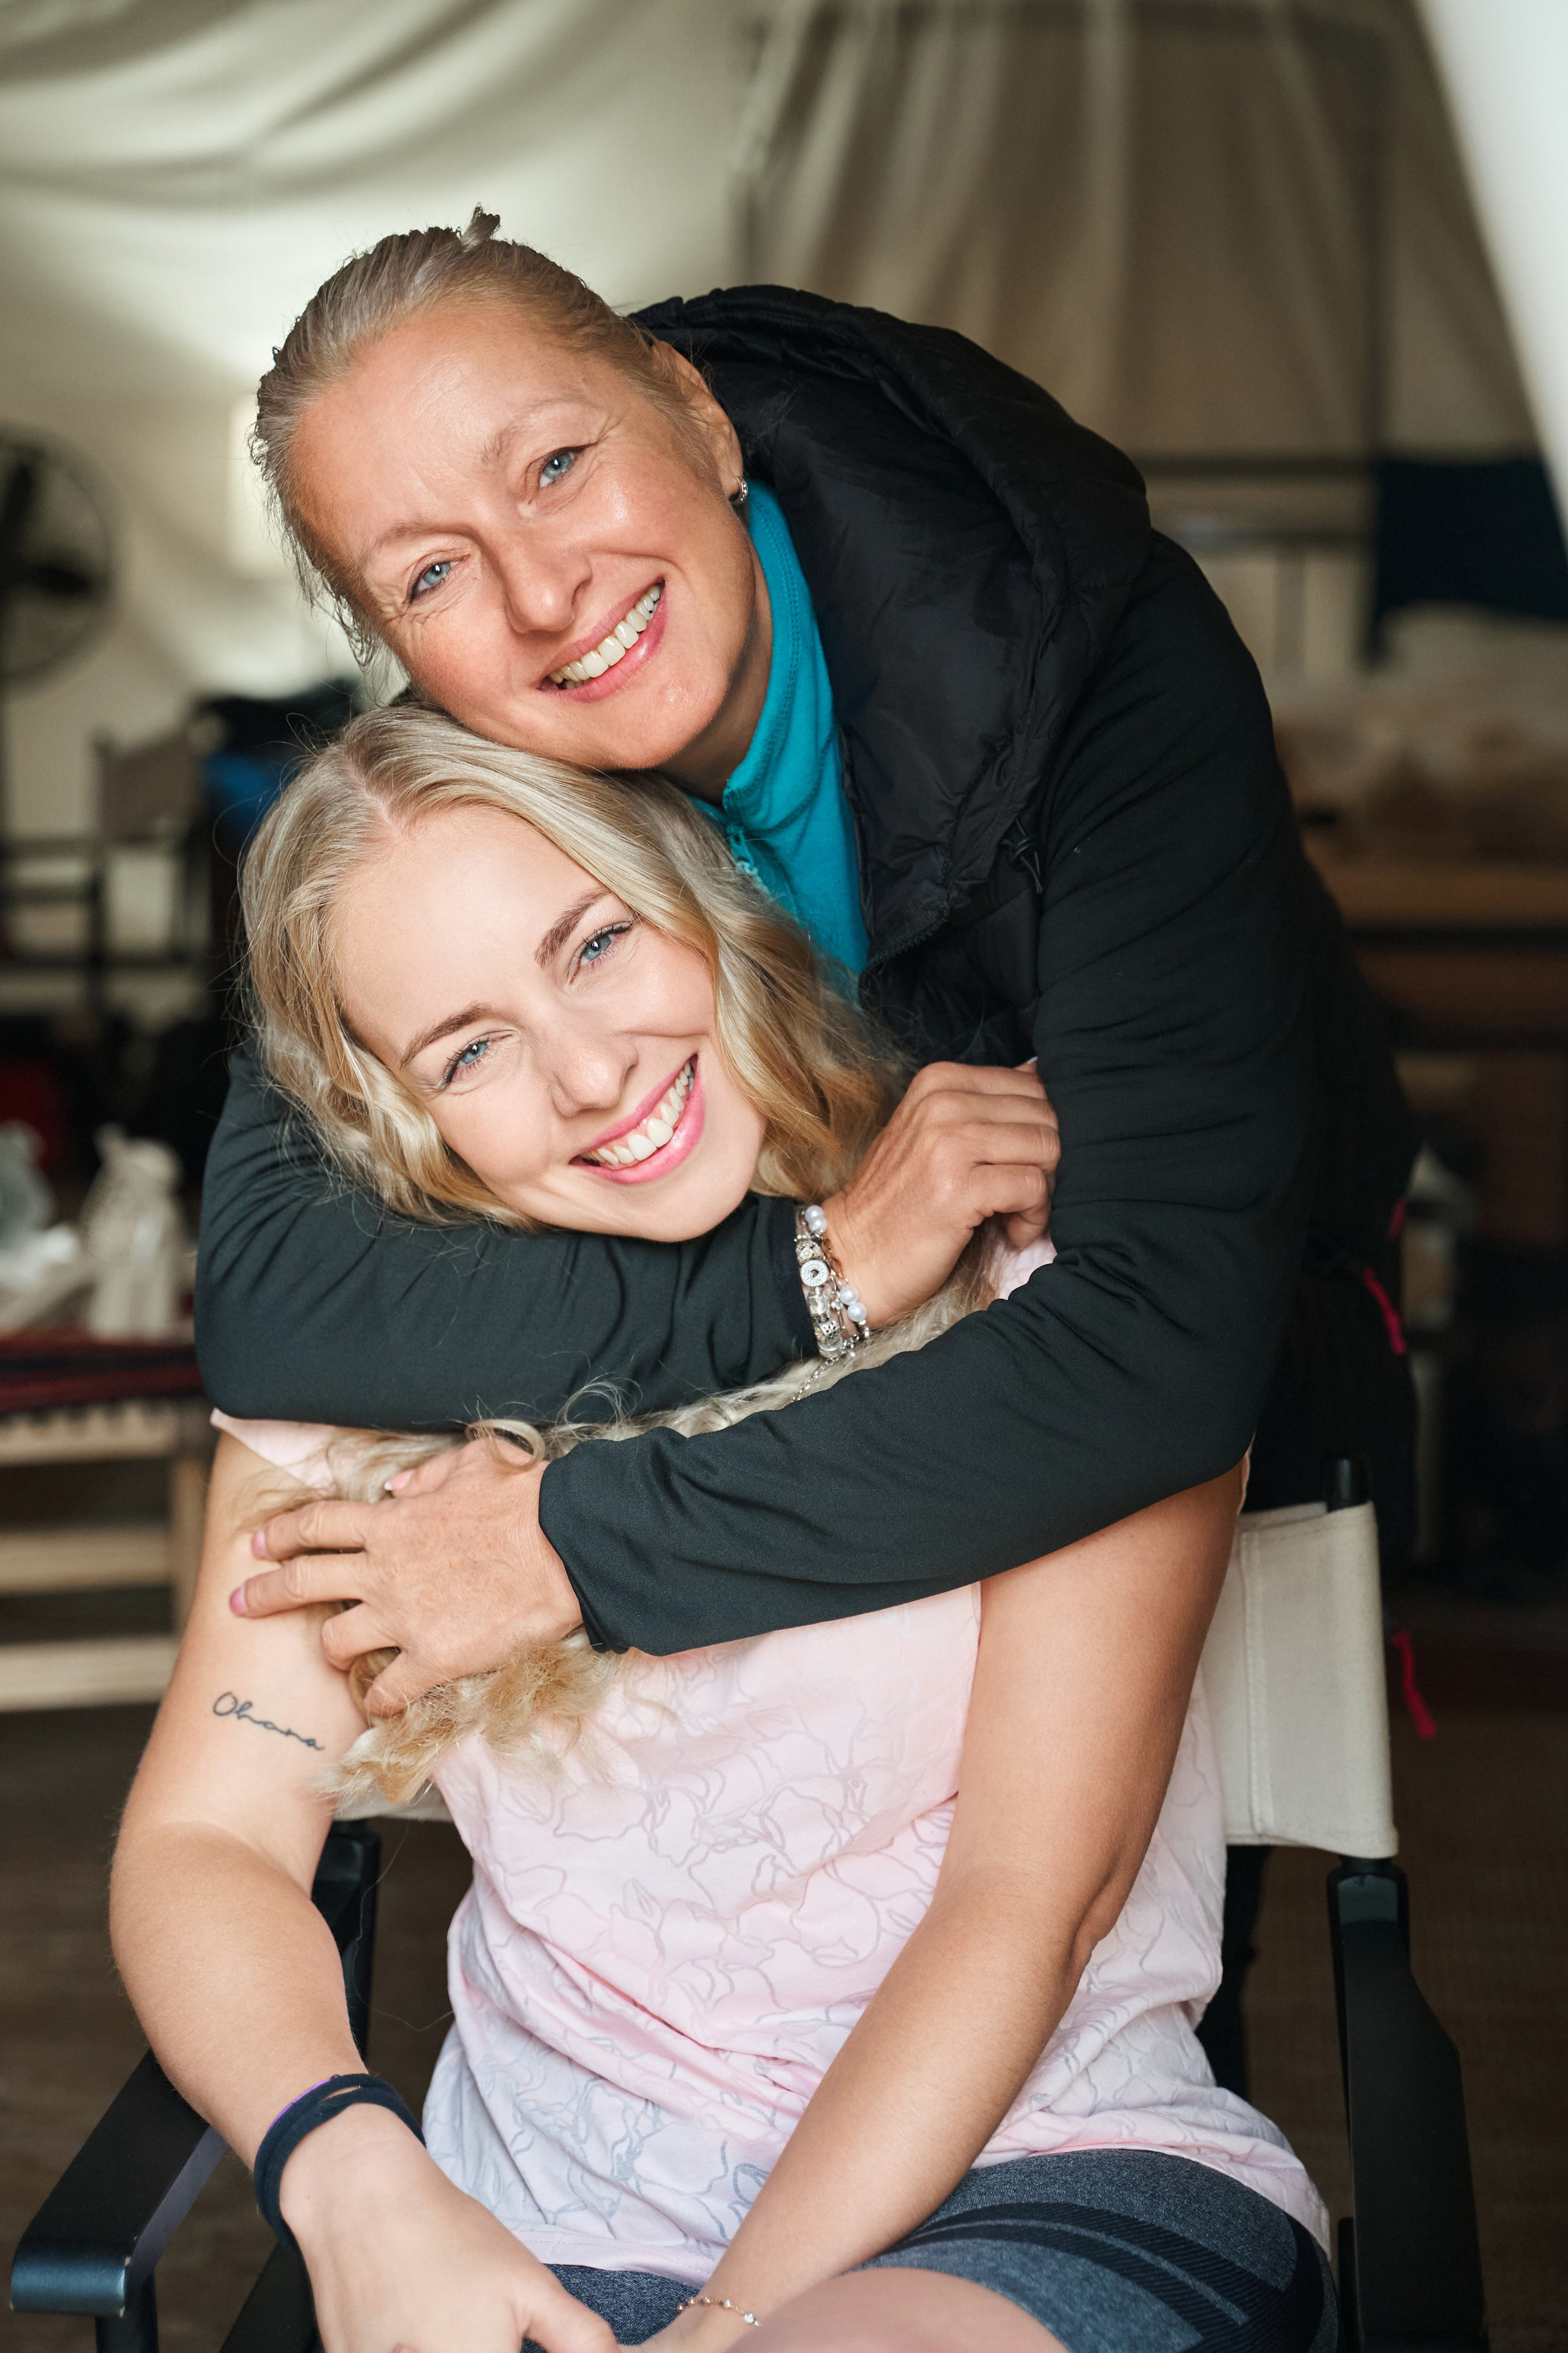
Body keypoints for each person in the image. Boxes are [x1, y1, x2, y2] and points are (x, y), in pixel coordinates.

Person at [203, 214, 1415, 2075]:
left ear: (691, 410)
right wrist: (809, 1275)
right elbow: (281, 1289)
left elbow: (1157, 1347)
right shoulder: (480, 762)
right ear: (394, 651)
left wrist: (576, 1547)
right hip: (763, 1564)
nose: (538, 598)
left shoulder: (1098, 660)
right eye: (433, 573)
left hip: (1178, 1402)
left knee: (1084, 1985)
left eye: (559, 463)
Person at [117, 711, 1335, 2352]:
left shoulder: (1060, 1278)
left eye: (596, 943)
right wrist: (353, 2170)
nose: (589, 1071)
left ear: (708, 888)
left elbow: (1031, 1893)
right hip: (536, 2222)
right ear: (400, 1115)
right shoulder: (364, 1389)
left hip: (1031, 2171)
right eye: (468, 1050)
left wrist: (727, 2326)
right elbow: (211, 1838)